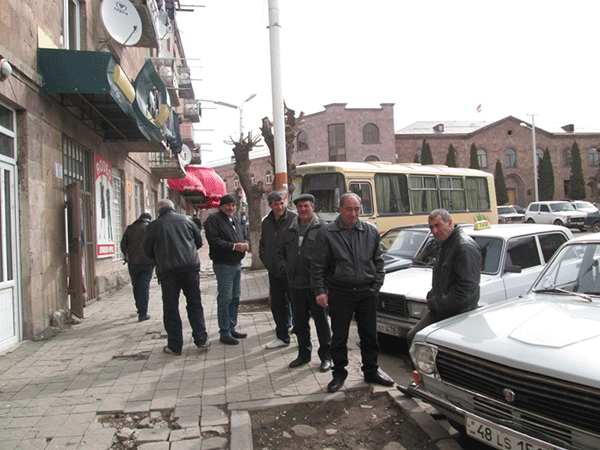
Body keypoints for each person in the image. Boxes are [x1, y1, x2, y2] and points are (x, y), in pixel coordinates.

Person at [311, 193, 393, 393]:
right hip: (340, 292)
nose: (353, 213)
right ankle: (339, 374)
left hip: (367, 292)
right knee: (339, 337)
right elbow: (317, 265)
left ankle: (371, 371)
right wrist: (320, 291)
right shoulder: (327, 233)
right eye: (349, 209)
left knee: (369, 336)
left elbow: (379, 261)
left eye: (357, 209)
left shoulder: (370, 231)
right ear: (340, 209)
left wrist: (376, 285)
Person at [143, 199, 210, 355]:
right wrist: (188, 252)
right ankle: (201, 339)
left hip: (167, 271)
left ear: (158, 212)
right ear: (173, 208)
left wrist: (160, 256)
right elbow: (198, 241)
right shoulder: (187, 220)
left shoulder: (154, 226)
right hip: (190, 268)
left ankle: (175, 345)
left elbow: (147, 250)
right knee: (195, 304)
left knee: (171, 308)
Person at [406, 209, 481, 346]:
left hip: (457, 314)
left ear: (450, 222)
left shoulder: (464, 247)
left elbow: (467, 290)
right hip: (442, 311)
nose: (434, 231)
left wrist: (439, 303)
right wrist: (432, 297)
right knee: (415, 338)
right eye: (431, 227)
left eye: (438, 225)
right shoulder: (446, 244)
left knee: (417, 340)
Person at [276, 194, 332, 371]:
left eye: (306, 206)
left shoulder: (323, 228)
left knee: (322, 323)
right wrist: (285, 268)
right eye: (300, 207)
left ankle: (326, 357)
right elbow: (279, 252)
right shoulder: (289, 228)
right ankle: (304, 354)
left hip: (316, 285)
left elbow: (331, 256)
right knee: (300, 323)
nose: (303, 209)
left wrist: (325, 283)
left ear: (313, 207)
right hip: (295, 284)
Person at [204, 194, 249, 345]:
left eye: (233, 205)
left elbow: (242, 235)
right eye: (228, 205)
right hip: (223, 264)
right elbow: (214, 240)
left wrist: (245, 243)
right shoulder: (213, 219)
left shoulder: (235, 219)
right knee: (225, 298)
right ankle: (224, 331)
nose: (231, 208)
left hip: (237, 263)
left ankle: (232, 327)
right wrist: (233, 246)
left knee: (235, 297)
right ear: (221, 206)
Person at [259, 191, 297, 349]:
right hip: (274, 270)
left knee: (296, 303)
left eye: (282, 203)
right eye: (276, 204)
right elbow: (263, 243)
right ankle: (282, 336)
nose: (280, 207)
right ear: (270, 205)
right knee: (277, 304)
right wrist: (265, 259)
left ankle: (301, 335)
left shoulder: (294, 218)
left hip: (291, 270)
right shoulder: (266, 222)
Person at [120, 212, 154, 322]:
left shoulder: (130, 228)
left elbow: (123, 245)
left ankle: (139, 308)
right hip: (148, 262)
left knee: (136, 285)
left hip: (133, 262)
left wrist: (127, 256)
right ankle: (143, 313)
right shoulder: (150, 228)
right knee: (144, 286)